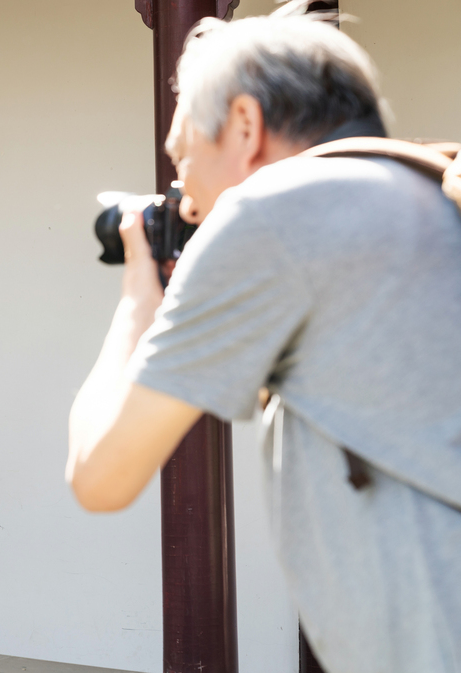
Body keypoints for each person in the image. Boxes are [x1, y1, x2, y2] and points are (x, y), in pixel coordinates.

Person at [67, 7, 460, 673]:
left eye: (183, 155)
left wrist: (140, 294)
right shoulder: (426, 194)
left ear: (245, 125)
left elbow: (101, 473)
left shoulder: (274, 213)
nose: (183, 198)